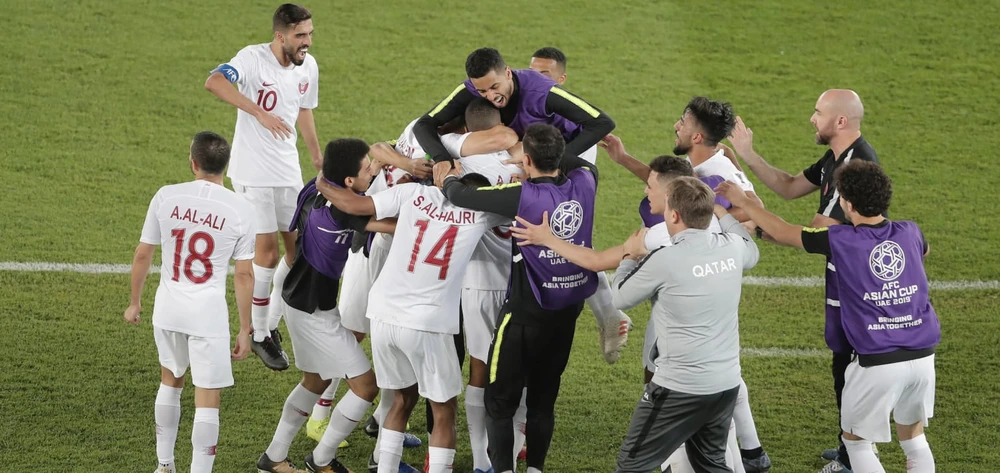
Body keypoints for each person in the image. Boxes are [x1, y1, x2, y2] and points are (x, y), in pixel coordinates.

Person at [716, 160, 938, 473]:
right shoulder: (911, 231)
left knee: (857, 443)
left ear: (847, 204)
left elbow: (785, 231)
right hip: (922, 357)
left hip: (877, 361)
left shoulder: (840, 239)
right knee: (914, 439)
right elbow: (923, 251)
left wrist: (744, 202)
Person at [315, 169, 509, 473]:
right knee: (444, 410)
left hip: (383, 313)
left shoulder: (414, 193)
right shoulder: (481, 213)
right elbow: (529, 203)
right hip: (426, 322)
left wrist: (322, 183)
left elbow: (353, 205)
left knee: (401, 400)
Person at [727, 89, 879, 472]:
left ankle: (855, 456)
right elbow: (790, 185)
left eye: (818, 112)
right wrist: (748, 155)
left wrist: (754, 219)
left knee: (850, 368)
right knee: (843, 365)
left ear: (840, 120)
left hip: (857, 288)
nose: (812, 118)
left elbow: (817, 229)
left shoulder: (855, 164)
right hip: (843, 278)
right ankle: (850, 446)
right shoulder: (836, 156)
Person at [601, 135, 771, 472]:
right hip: (725, 385)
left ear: (674, 215)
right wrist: (723, 214)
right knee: (711, 464)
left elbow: (619, 297)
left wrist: (629, 257)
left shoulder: (666, 259)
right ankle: (752, 452)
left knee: (631, 464)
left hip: (679, 388)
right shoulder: (733, 248)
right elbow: (750, 248)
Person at [438, 123, 598, 473]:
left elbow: (462, 196)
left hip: (523, 316)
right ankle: (535, 469)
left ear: (526, 160)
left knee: (499, 402)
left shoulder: (521, 196)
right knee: (543, 401)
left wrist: (447, 176)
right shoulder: (587, 181)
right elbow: (582, 164)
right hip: (567, 314)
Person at [256, 139, 392, 473]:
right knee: (366, 386)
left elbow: (337, 187)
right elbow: (391, 224)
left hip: (300, 300)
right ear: (348, 182)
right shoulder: (345, 210)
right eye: (366, 168)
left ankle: (273, 458)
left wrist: (372, 171)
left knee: (315, 382)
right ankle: (322, 459)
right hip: (314, 312)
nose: (371, 171)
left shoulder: (314, 188)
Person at [124, 132, 256, 473]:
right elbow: (244, 275)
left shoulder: (166, 196)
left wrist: (135, 302)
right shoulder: (241, 208)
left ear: (193, 162)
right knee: (207, 400)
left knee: (170, 382)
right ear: (225, 165)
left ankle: (164, 465)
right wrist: (245, 328)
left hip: (168, 309)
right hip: (207, 317)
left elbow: (142, 254)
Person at [204, 3, 322, 370]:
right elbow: (214, 81)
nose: (307, 41)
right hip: (253, 173)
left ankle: (268, 325)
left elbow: (304, 109)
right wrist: (258, 112)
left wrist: (316, 157)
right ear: (280, 36)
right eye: (300, 35)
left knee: (300, 252)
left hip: (287, 170)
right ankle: (258, 334)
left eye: (310, 34)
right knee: (267, 254)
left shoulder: (308, 66)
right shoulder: (252, 59)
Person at [521, 47, 635, 365]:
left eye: (544, 74)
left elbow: (574, 160)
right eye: (532, 73)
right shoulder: (534, 104)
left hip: (567, 187)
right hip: (551, 184)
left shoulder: (570, 115)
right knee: (565, 249)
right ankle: (609, 314)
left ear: (561, 79)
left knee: (565, 250)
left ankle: (610, 314)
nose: (536, 80)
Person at [441, 98, 527, 473]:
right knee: (520, 372)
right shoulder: (521, 163)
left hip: (475, 284)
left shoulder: (462, 162)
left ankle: (481, 461)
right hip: (518, 283)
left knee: (478, 371)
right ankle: (513, 450)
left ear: (467, 131)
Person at [414, 47, 614, 166]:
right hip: (531, 147)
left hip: (572, 145)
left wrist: (553, 165)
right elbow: (424, 123)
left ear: (508, 73)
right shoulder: (471, 88)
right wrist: (442, 160)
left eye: (495, 87)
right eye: (482, 91)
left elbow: (602, 122)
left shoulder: (542, 92)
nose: (491, 96)